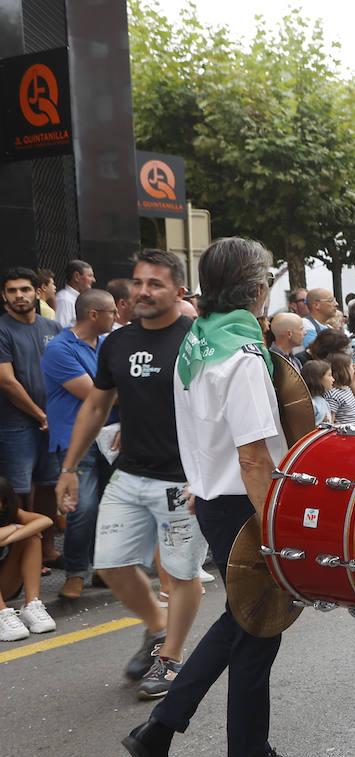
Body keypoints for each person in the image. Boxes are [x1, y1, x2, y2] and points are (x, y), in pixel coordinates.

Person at [120, 237, 319, 757]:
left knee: (242, 619)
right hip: (244, 504)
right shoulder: (242, 354)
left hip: (212, 498)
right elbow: (255, 455)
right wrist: (276, 528)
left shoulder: (197, 342)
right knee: (258, 629)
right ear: (257, 289)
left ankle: (160, 731)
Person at [55, 250, 210, 701]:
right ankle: (158, 627)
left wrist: (206, 477)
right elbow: (98, 404)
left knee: (181, 574)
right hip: (130, 474)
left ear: (178, 292)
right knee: (112, 565)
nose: (143, 291)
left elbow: (215, 415)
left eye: (155, 284)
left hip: (182, 481)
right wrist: (69, 467)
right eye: (138, 282)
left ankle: (170, 659)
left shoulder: (197, 342)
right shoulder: (117, 343)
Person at [41, 287, 118, 600]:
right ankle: (75, 572)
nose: (117, 316)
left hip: (109, 436)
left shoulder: (107, 344)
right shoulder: (60, 348)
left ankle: (103, 568)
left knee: (110, 507)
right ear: (94, 314)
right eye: (112, 311)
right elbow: (93, 394)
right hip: (77, 439)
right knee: (82, 508)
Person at [0, 267, 63, 567]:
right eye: (12, 291)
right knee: (19, 490)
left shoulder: (52, 328)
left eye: (24, 289)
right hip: (16, 425)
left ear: (37, 292)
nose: (19, 296)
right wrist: (40, 414)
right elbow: (6, 380)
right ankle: (24, 555)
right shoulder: (2, 330)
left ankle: (48, 549)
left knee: (49, 483)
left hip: (51, 423)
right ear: (4, 296)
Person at [0, 475, 56, 640]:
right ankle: (2, 613)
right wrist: (16, 528)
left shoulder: (12, 514)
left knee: (32, 537)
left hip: (5, 585)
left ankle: (32, 606)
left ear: (4, 504)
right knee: (29, 531)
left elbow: (46, 521)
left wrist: (13, 532)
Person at [324, 352, 355, 425]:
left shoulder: (346, 388)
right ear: (343, 371)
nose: (354, 369)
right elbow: (330, 423)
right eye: (351, 366)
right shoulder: (332, 395)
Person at [55, 259, 95, 328]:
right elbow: (60, 328)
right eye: (90, 276)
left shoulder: (79, 298)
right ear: (77, 276)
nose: (93, 280)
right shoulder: (64, 299)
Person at [300, 359, 333, 426]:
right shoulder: (311, 404)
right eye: (329, 375)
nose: (333, 379)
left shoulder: (324, 402)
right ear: (317, 379)